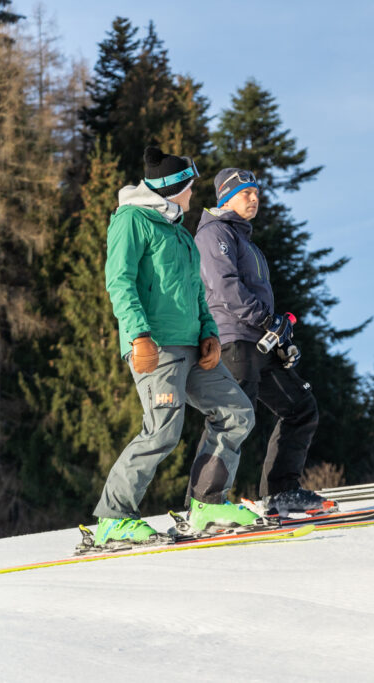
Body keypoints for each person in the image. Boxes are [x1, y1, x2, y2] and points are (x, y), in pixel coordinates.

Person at [94, 146, 260, 546]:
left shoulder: (180, 232)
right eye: (190, 187)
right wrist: (138, 335)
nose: (193, 194)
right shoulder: (132, 221)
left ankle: (206, 505)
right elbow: (120, 281)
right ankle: (113, 519)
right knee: (161, 433)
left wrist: (209, 334)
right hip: (157, 345)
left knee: (237, 413)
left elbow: (197, 293)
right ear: (175, 188)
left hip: (192, 345)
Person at [193, 168, 322, 515]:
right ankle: (205, 503)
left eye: (256, 193)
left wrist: (278, 334)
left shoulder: (245, 241)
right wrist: (266, 319)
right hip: (233, 340)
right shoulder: (214, 232)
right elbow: (224, 288)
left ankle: (281, 491)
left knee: (301, 408)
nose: (254, 198)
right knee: (231, 417)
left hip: (259, 343)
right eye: (246, 192)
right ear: (225, 197)